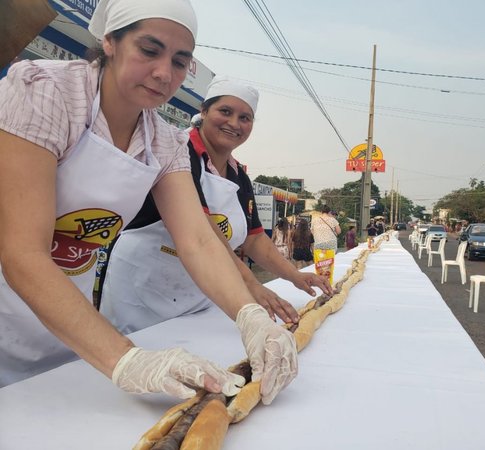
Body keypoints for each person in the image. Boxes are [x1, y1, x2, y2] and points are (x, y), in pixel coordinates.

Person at [0, 0, 296, 406]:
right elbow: (22, 253)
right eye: (149, 50)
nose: (163, 74)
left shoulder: (162, 140)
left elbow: (198, 240)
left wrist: (251, 316)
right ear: (110, 41)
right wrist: (126, 360)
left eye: (179, 61)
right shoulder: (47, 93)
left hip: (68, 323)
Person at [100, 75, 331, 334]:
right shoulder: (179, 152)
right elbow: (202, 231)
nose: (234, 123)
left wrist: (294, 276)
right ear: (204, 111)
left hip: (196, 291)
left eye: (245, 118)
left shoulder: (239, 176)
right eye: (225, 111)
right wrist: (248, 283)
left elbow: (255, 240)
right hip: (142, 285)